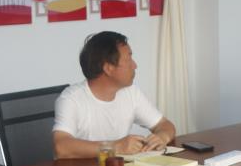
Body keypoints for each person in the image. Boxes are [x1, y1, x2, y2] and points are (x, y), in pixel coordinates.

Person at [52, 31, 177, 159]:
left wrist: (162, 137)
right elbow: (61, 147)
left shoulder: (130, 92)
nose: (135, 66)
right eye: (128, 59)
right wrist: (115, 147)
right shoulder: (71, 99)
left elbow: (164, 124)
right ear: (108, 68)